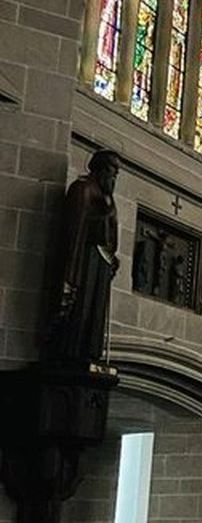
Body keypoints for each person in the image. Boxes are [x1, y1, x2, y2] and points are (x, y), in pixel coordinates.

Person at [45, 150, 122, 366]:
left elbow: (111, 234)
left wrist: (111, 256)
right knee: (80, 309)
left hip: (101, 263)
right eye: (110, 171)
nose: (113, 178)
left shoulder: (107, 197)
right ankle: (70, 351)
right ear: (97, 169)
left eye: (116, 174)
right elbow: (74, 232)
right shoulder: (83, 189)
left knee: (95, 313)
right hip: (84, 261)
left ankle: (89, 350)